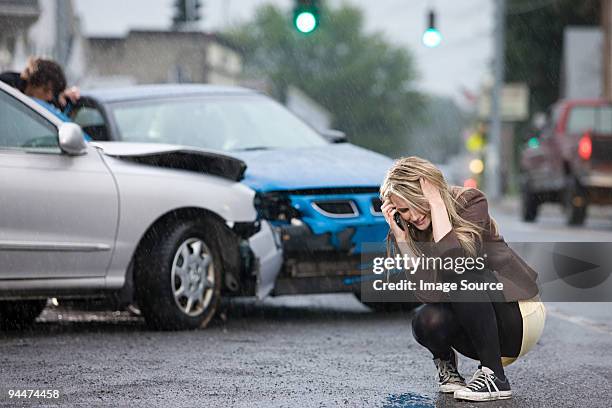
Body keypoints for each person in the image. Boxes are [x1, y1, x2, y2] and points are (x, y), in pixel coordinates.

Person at [379, 156, 546, 402]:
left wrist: (436, 204)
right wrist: (403, 240)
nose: (412, 215)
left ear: (431, 191)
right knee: (426, 320)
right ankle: (450, 370)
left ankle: (494, 377)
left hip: (519, 317)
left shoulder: (471, 201)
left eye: (417, 202)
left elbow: (455, 264)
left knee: (460, 274)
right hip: (480, 331)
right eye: (403, 210)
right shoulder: (409, 229)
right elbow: (428, 295)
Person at [0, 57, 80, 120]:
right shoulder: (6, 85)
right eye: (46, 90)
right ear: (33, 83)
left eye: (53, 92)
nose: (49, 97)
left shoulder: (51, 99)